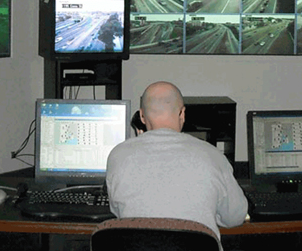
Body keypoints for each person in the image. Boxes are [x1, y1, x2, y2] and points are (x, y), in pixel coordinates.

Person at [106, 81, 248, 239]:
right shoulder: (213, 155)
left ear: (142, 116)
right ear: (182, 114)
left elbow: (119, 213)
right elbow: (235, 217)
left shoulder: (118, 155)